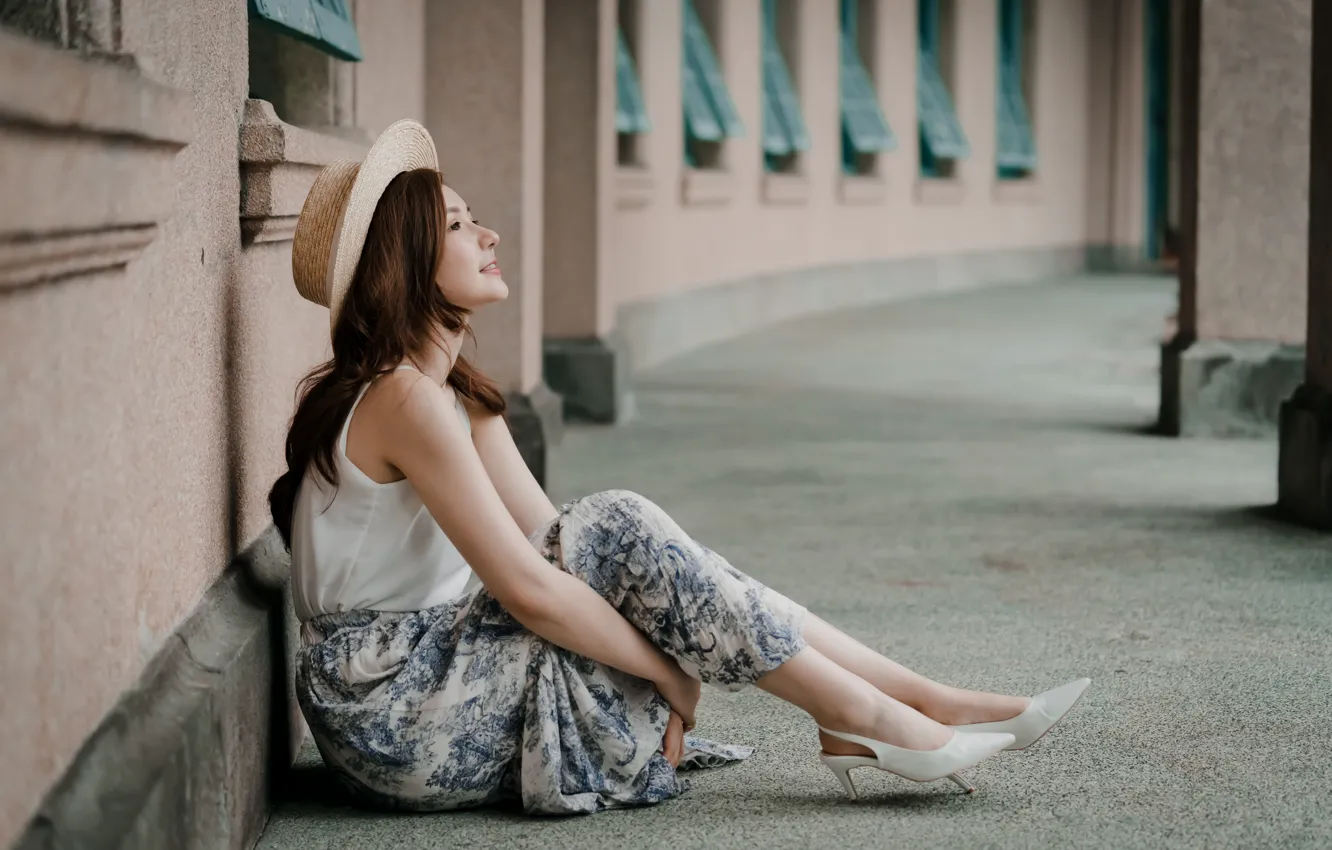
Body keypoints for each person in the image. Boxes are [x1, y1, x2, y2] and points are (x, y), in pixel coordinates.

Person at [268, 120, 1090, 814]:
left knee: (639, 555)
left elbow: (560, 546)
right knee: (623, 536)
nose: (487, 236)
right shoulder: (402, 400)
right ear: (402, 262)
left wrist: (665, 643)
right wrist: (671, 671)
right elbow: (529, 588)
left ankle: (910, 701)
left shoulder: (456, 400)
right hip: (390, 710)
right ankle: (870, 714)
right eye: (455, 226)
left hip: (453, 665)